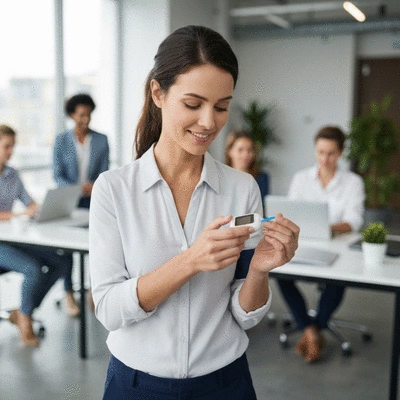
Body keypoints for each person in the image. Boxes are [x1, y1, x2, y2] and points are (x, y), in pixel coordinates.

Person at [89, 25, 299, 400]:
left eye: (221, 107)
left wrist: (258, 269)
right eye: (193, 104)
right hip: (136, 385)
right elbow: (108, 310)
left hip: (225, 383)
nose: (208, 122)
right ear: (158, 93)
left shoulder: (241, 189)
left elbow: (244, 314)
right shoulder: (114, 189)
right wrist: (191, 260)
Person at [277, 125, 365, 363]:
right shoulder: (301, 179)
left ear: (341, 153)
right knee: (280, 273)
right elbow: (292, 212)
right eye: (320, 152)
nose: (324, 159)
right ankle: (311, 330)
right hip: (304, 243)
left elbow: (355, 221)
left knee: (339, 278)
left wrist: (327, 228)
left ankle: (312, 329)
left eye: (331, 153)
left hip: (338, 246)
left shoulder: (352, 182)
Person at [0, 124, 73, 346]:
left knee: (62, 261)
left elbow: (28, 201)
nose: (11, 151)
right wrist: (18, 213)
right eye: (7, 146)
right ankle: (25, 317)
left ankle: (24, 311)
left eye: (13, 146)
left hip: (15, 238)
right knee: (32, 269)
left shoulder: (13, 174)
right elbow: (13, 212)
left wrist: (36, 208)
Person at [53, 93, 109, 317]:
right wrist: (78, 188)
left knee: (96, 245)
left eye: (89, 114)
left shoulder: (101, 139)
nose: (86, 119)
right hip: (69, 201)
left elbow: (105, 172)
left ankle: (95, 290)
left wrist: (94, 186)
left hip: (94, 199)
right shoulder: (61, 140)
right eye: (81, 115)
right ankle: (68, 293)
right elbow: (57, 175)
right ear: (72, 115)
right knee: (66, 248)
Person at [225, 130, 269, 210]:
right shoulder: (221, 177)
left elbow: (263, 208)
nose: (246, 155)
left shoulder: (262, 178)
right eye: (240, 150)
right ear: (230, 151)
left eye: (250, 150)